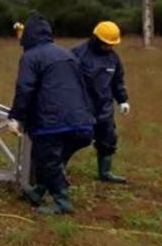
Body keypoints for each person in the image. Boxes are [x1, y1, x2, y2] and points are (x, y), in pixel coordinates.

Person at [8, 14, 96, 214]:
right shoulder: (67, 54)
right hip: (82, 123)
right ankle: (38, 191)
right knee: (52, 160)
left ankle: (62, 202)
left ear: (29, 35)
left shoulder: (31, 57)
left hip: (52, 123)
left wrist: (16, 117)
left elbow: (25, 88)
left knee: (48, 159)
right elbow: (83, 86)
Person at [71, 21, 131, 183]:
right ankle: (57, 171)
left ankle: (105, 173)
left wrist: (123, 100)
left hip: (104, 108)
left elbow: (117, 81)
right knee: (74, 139)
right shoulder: (77, 54)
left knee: (108, 139)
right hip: (81, 107)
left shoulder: (113, 58)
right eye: (106, 44)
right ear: (96, 39)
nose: (109, 47)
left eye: (112, 44)